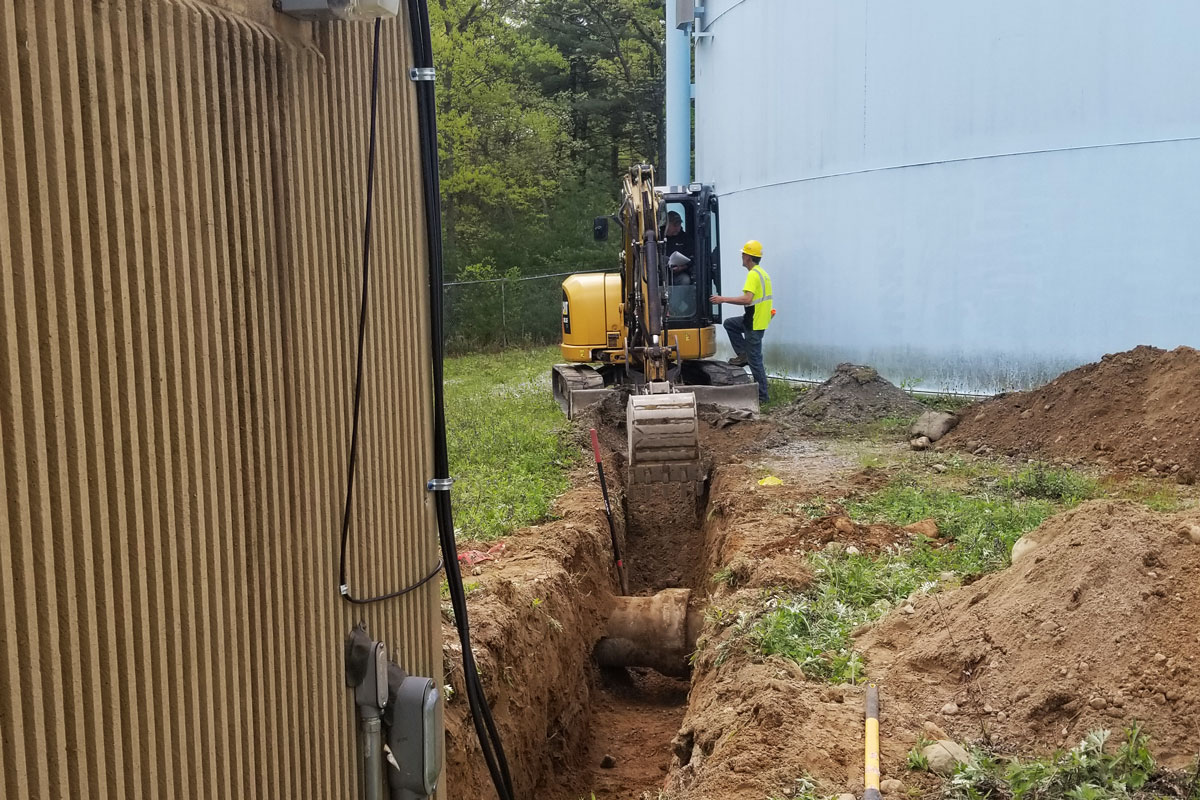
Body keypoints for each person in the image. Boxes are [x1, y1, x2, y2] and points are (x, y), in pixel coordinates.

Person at [709, 239, 773, 404]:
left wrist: (723, 299)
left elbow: (747, 299)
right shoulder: (763, 273)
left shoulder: (753, 275)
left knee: (755, 361)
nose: (742, 257)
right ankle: (743, 354)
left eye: (743, 254)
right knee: (730, 324)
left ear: (748, 257)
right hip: (756, 319)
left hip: (754, 322)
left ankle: (763, 397)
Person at [661, 211, 693, 284]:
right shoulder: (658, 237)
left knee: (685, 279)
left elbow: (692, 258)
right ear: (666, 224)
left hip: (678, 273)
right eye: (675, 225)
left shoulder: (685, 238)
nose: (678, 229)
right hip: (660, 273)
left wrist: (682, 267)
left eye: (679, 225)